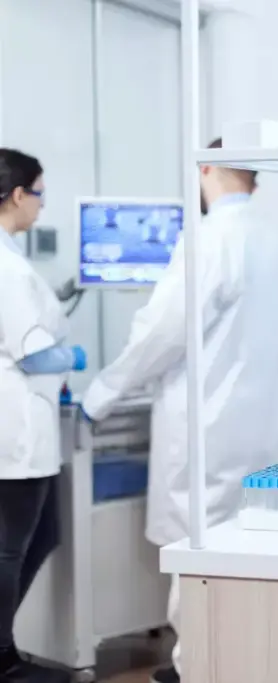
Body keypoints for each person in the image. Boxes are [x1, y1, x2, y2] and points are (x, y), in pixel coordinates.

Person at [82, 138, 278, 683]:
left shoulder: (212, 238)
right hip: (256, 425)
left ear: (206, 168)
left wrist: (101, 394)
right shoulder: (276, 239)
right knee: (240, 549)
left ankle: (194, 667)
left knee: (196, 552)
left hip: (206, 426)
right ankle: (235, 661)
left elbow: (161, 333)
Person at [0, 149, 86, 683]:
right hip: (17, 429)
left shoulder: (12, 261)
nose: (41, 205)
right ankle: (2, 660)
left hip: (21, 425)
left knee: (42, 533)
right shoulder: (8, 268)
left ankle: (4, 647)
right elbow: (33, 354)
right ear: (16, 195)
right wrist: (72, 356)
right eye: (39, 194)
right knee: (10, 548)